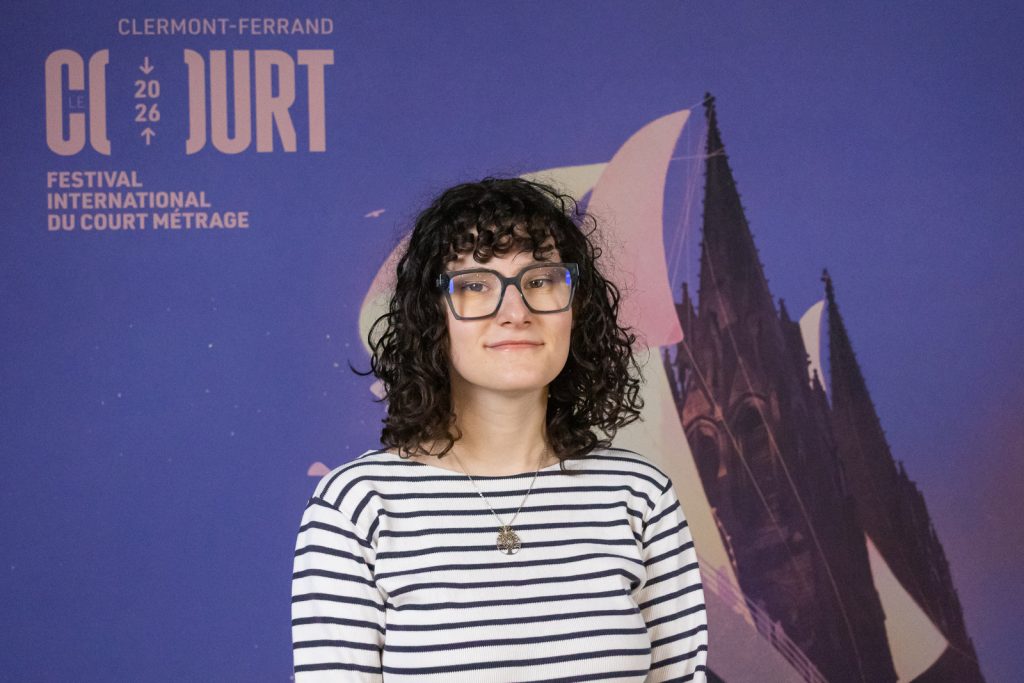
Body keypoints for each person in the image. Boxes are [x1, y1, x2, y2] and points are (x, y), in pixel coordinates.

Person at [291, 177, 708, 681]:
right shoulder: (357, 508)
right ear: (432, 316)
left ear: (576, 307)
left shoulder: (640, 495)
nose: (516, 312)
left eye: (540, 280)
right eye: (475, 285)